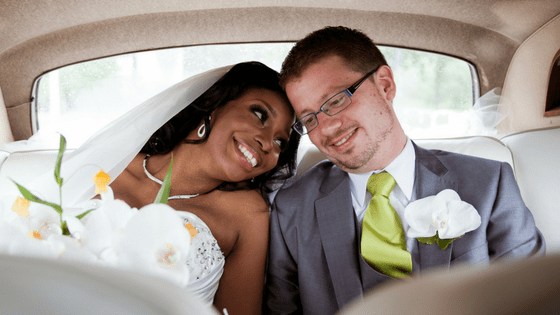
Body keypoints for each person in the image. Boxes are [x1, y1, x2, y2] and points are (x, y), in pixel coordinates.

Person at [264, 26, 545, 315]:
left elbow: (532, 299)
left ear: (385, 85)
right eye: (309, 119)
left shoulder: (489, 184)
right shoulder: (291, 208)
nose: (326, 128)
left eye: (336, 100)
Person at [19, 62, 299, 315]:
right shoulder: (110, 165)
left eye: (280, 143)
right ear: (215, 102)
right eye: (260, 114)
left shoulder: (248, 213)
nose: (267, 143)